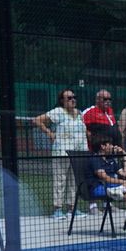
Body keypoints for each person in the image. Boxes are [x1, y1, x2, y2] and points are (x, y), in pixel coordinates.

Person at [35, 88, 90, 218]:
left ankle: (72, 208)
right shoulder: (58, 112)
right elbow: (37, 120)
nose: (73, 100)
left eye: (74, 97)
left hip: (78, 152)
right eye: (69, 98)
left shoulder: (79, 113)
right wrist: (49, 133)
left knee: (74, 181)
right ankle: (57, 209)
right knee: (60, 180)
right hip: (62, 152)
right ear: (62, 101)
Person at [84, 139, 126, 233]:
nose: (112, 146)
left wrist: (124, 156)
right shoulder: (95, 159)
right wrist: (122, 182)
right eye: (109, 144)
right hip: (99, 188)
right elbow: (105, 178)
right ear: (103, 146)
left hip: (115, 187)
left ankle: (123, 189)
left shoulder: (111, 159)